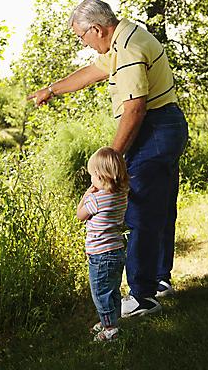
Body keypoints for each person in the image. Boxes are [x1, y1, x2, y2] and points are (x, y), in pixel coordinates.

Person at [27, 0, 188, 318]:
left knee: (140, 212)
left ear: (97, 29)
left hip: (153, 128)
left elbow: (134, 111)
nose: (83, 44)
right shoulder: (126, 38)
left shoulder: (127, 50)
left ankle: (142, 296)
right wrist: (51, 90)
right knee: (161, 206)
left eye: (81, 37)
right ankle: (158, 280)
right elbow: (90, 73)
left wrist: (110, 159)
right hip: (168, 124)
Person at [76, 147, 129, 342]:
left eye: (91, 175)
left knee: (100, 293)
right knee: (113, 289)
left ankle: (110, 329)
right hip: (117, 251)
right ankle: (110, 319)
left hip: (100, 255)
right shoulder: (121, 194)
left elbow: (80, 215)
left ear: (98, 176)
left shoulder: (95, 199)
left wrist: (86, 194)